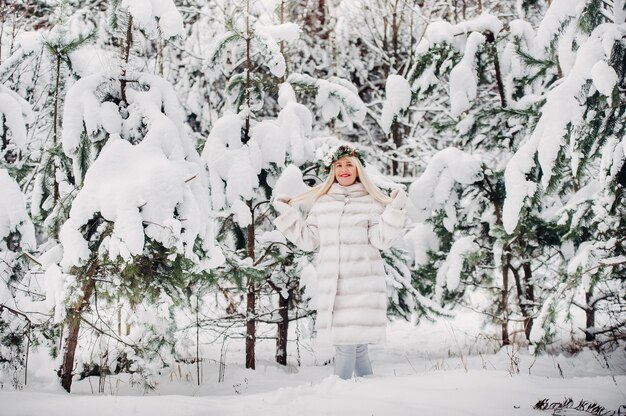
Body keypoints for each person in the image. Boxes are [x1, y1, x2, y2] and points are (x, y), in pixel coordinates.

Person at [272, 143, 407, 380]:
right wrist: (287, 213)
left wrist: (395, 209)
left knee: (347, 345)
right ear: (332, 170)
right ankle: (370, 395)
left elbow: (381, 240)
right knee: (356, 347)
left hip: (362, 285)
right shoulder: (323, 202)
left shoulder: (370, 202)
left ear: (358, 169)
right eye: (338, 165)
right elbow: (308, 240)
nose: (344, 170)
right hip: (334, 287)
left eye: (349, 165)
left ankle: (336, 397)